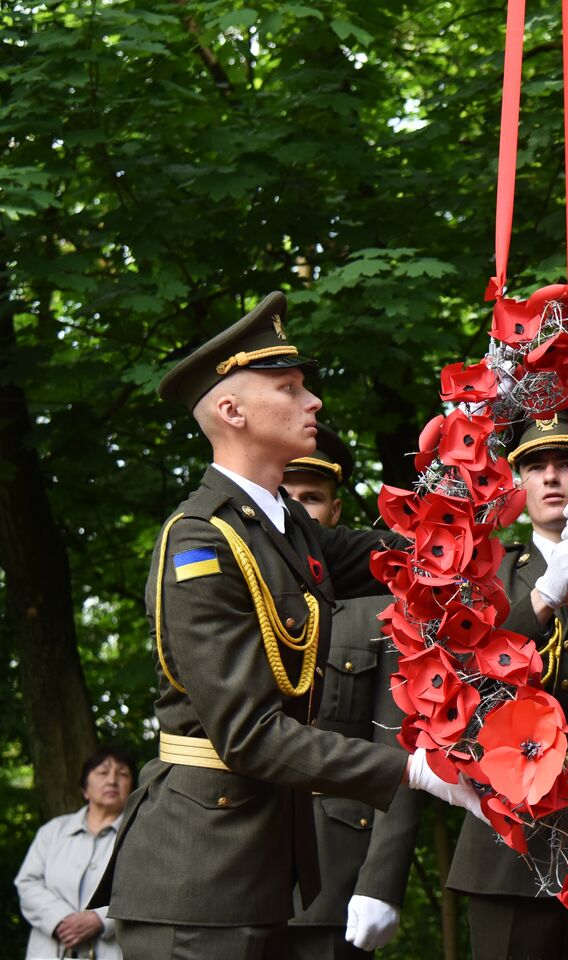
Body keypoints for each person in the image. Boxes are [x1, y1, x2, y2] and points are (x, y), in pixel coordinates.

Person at [90, 291, 482, 959]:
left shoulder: (283, 525)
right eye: (290, 387)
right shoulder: (201, 542)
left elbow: (414, 552)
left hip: (258, 866)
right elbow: (247, 734)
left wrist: (481, 432)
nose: (314, 403)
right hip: (198, 878)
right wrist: (411, 770)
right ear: (231, 410)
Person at [446, 409, 568, 960]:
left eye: (566, 465)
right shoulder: (482, 572)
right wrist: (540, 599)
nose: (551, 478)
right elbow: (458, 680)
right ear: (519, 485)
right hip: (512, 833)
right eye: (536, 467)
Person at [281, 426, 425, 959]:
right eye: (286, 497)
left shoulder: (382, 617)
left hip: (332, 871)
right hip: (234, 866)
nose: (298, 512)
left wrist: (382, 880)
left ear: (336, 513)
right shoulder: (236, 600)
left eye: (312, 499)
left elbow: (401, 752)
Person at [16, 745, 136, 959]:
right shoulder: (52, 831)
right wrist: (60, 919)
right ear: (84, 789)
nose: (112, 780)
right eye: (102, 772)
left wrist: (101, 919)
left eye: (123, 774)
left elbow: (146, 891)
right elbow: (27, 882)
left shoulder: (140, 836)